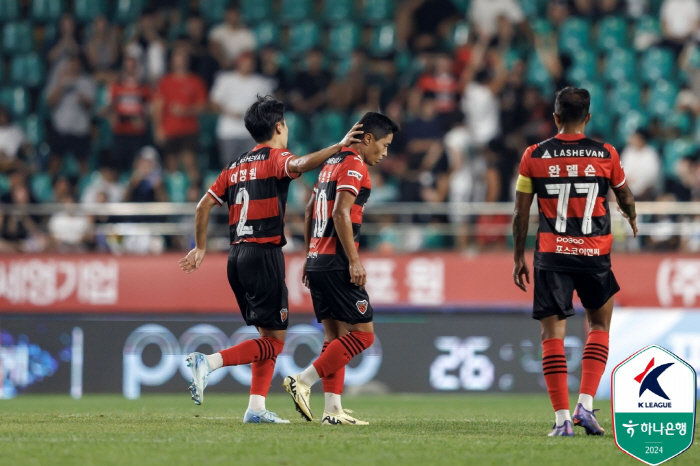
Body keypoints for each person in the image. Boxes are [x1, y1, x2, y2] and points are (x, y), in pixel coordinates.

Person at [178, 95, 363, 424]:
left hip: (236, 256)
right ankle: (208, 362)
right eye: (286, 124)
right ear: (279, 126)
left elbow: (202, 207)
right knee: (275, 343)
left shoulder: (234, 166)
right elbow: (301, 165)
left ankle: (256, 408)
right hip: (263, 253)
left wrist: (201, 248)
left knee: (267, 336)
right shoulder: (276, 158)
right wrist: (338, 146)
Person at [511, 87, 637, 436]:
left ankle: (562, 419)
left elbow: (521, 212)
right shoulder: (605, 153)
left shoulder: (533, 155)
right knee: (599, 326)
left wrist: (518, 255)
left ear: (555, 118)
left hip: (552, 254)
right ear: (588, 118)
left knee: (552, 334)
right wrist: (632, 216)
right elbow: (624, 194)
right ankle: (585, 404)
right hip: (594, 254)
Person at [283, 112, 399, 426]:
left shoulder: (329, 164)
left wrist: (310, 254)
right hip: (336, 262)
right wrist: (354, 260)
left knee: (336, 337)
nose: (385, 153)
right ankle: (303, 380)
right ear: (369, 139)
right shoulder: (354, 164)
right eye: (384, 145)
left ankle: (332, 411)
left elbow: (309, 210)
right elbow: (340, 212)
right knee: (364, 336)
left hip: (318, 261)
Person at [152, 48, 207, 182]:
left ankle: (194, 195)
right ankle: (175, 198)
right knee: (171, 166)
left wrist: (186, 110)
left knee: (190, 163)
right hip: (170, 130)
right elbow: (157, 106)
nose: (180, 61)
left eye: (183, 58)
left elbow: (203, 107)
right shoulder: (165, 82)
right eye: (177, 57)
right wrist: (158, 128)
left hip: (189, 129)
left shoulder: (195, 81)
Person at [210, 52, 273, 167]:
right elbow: (214, 102)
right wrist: (229, 112)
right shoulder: (225, 79)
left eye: (250, 63)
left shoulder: (261, 82)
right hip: (228, 131)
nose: (247, 66)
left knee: (251, 166)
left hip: (251, 133)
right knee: (230, 165)